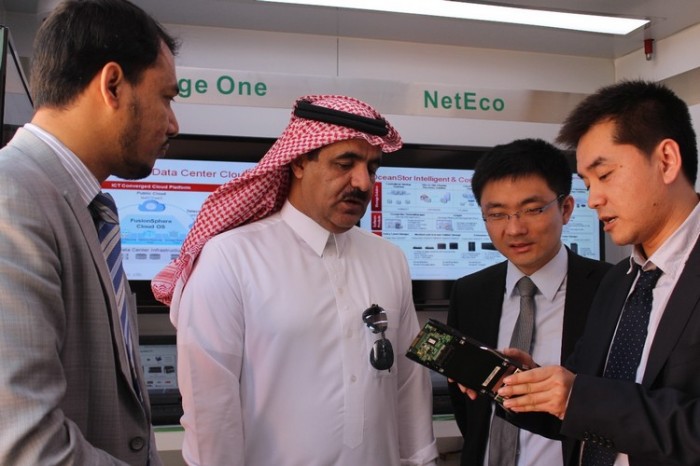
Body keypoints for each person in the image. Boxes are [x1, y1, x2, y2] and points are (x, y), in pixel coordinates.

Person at [151, 94, 439, 466]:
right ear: (300, 161)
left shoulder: (389, 259)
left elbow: (408, 382)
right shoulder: (231, 258)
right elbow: (211, 410)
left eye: (372, 168)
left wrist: (421, 460)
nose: (363, 182)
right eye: (345, 163)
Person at [0, 0, 180, 464]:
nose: (173, 124)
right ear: (112, 85)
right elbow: (27, 445)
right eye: (166, 97)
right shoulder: (11, 197)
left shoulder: (83, 205)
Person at [486, 80, 700, 466]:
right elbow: (584, 415)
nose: (593, 199)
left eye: (605, 175)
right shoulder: (618, 282)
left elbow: (590, 403)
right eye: (587, 183)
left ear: (667, 160)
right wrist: (530, 387)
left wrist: (578, 398)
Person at [447, 138, 611, 466]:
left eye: (533, 210)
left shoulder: (611, 288)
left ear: (566, 209)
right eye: (497, 214)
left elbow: (613, 405)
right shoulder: (469, 293)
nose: (515, 229)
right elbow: (469, 411)